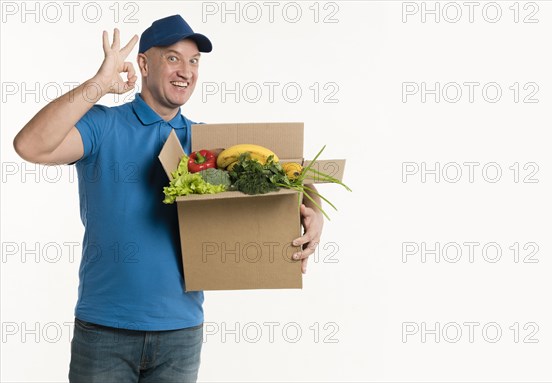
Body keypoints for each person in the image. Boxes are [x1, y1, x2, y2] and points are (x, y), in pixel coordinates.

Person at [13, 14, 323, 382]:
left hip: (181, 333)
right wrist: (98, 84)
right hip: (105, 330)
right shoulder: (102, 125)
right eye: (173, 58)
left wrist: (315, 211)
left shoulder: (208, 144)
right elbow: (29, 145)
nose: (186, 71)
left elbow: (285, 175)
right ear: (144, 64)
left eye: (194, 61)